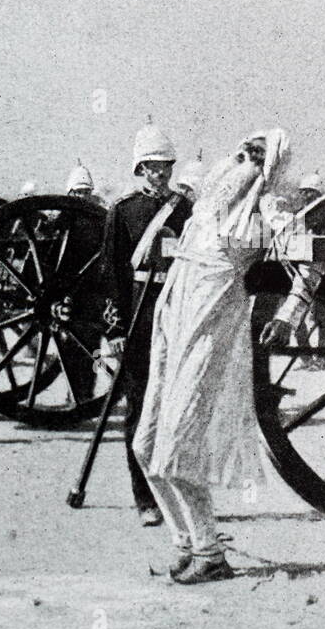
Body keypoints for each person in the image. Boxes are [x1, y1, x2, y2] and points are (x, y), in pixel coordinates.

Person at [133, 130, 292, 584]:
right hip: (176, 315)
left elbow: (308, 257)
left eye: (256, 155)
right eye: (241, 150)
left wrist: (292, 312)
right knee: (144, 445)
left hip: (212, 320)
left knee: (179, 443)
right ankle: (185, 544)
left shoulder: (266, 206)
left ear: (271, 164)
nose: (242, 159)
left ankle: (210, 552)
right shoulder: (204, 207)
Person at [101, 124, 193, 525]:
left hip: (175, 311)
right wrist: (114, 328)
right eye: (153, 166)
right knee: (139, 408)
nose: (160, 173)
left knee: (176, 407)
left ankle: (176, 493)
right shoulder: (122, 212)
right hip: (138, 313)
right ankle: (145, 499)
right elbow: (111, 275)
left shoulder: (186, 210)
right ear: (140, 168)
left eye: (165, 166)